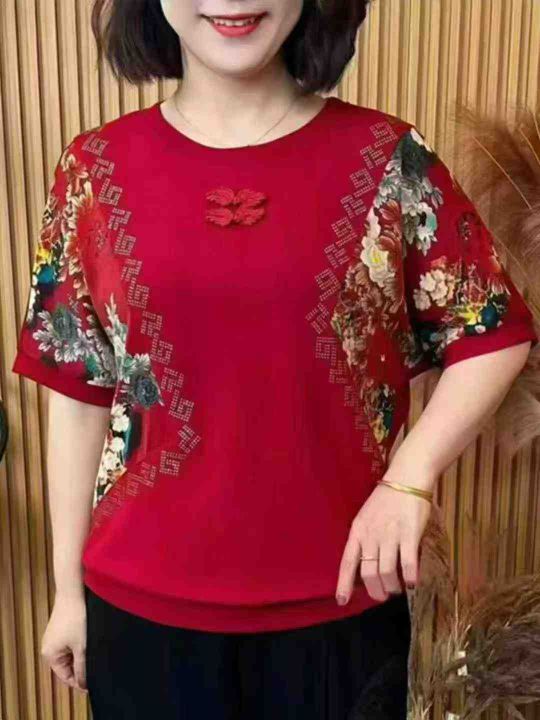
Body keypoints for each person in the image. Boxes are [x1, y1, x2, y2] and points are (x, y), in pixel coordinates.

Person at [11, 1, 538, 718]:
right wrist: (68, 595)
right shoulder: (93, 171)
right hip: (139, 617)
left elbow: (492, 330)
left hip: (344, 609)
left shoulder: (390, 159)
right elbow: (76, 392)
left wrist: (410, 478)